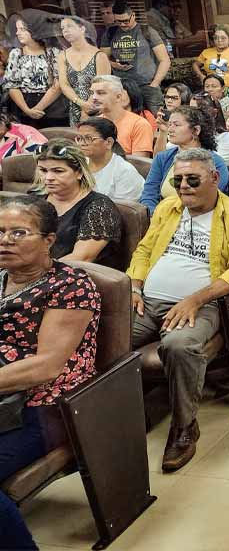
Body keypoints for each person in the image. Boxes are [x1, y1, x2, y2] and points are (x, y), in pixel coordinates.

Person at [128, 148, 229, 471]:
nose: (183, 186)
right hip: (148, 301)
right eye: (178, 180)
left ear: (215, 178)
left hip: (203, 303)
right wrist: (133, 285)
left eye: (192, 179)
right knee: (104, 335)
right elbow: (144, 250)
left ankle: (184, 427)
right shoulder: (167, 209)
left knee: (179, 345)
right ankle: (120, 416)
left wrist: (195, 299)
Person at [0, 196, 101, 550]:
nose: (5, 241)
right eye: (0, 232)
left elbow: (47, 366)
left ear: (48, 240)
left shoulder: (70, 285)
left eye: (18, 233)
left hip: (43, 406)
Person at [31, 139, 123, 270]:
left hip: (76, 278)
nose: (48, 177)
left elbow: (81, 258)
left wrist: (31, 271)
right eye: (43, 170)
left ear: (79, 172)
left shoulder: (99, 207)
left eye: (58, 171)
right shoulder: (35, 198)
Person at [139, 106, 229, 214]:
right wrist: (154, 216)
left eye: (176, 125)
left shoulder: (215, 163)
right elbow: (149, 194)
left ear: (196, 130)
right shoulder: (162, 158)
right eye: (170, 124)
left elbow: (210, 200)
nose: (170, 129)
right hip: (162, 218)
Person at [101, 0, 170, 115]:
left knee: (158, 119)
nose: (122, 24)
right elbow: (102, 58)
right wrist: (114, 64)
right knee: (127, 120)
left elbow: (165, 60)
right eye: (118, 21)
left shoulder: (146, 31)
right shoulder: (110, 33)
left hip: (147, 84)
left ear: (133, 15)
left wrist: (155, 83)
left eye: (125, 21)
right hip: (123, 86)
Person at [2, 14, 66, 128]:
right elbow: (12, 85)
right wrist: (27, 110)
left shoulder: (54, 52)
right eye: (17, 30)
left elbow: (58, 84)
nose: (17, 33)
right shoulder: (16, 53)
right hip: (23, 106)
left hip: (53, 106)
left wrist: (37, 109)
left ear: (35, 30)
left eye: (22, 29)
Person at [56, 15, 110, 127]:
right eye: (62, 28)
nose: (65, 30)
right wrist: (81, 104)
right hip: (75, 106)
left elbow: (101, 85)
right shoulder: (63, 56)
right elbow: (64, 84)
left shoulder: (99, 55)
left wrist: (86, 110)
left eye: (69, 26)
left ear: (82, 29)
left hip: (98, 107)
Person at [76, 117, 144, 202]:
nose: (82, 144)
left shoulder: (124, 171)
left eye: (88, 138)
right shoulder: (77, 164)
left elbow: (123, 210)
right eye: (79, 139)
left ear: (108, 142)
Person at [85, 75, 153, 158]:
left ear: (118, 97)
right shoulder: (92, 124)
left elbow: (139, 164)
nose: (94, 97)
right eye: (92, 93)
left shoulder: (139, 124)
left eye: (101, 93)